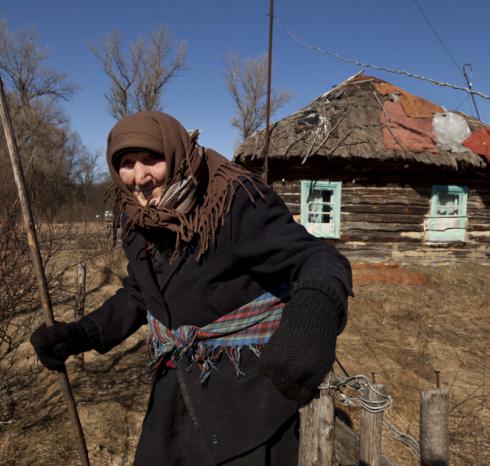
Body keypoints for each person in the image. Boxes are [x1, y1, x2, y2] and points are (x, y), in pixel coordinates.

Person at [30, 111, 352, 465]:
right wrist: (81, 335)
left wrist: (313, 315)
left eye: (152, 159)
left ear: (176, 154)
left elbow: (317, 257)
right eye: (127, 164)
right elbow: (141, 293)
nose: (140, 177)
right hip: (177, 384)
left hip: (247, 391)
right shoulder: (135, 216)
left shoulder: (233, 201)